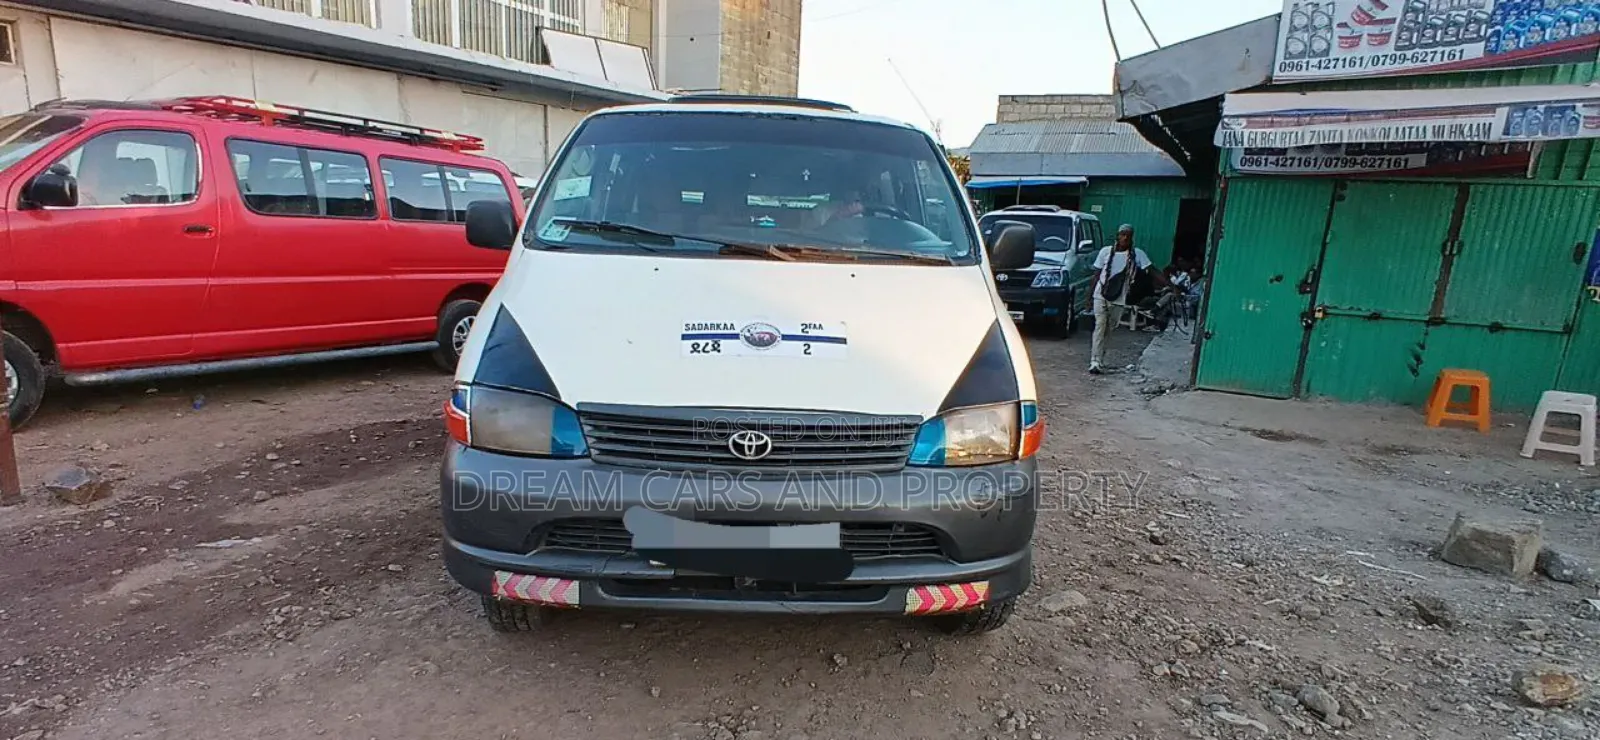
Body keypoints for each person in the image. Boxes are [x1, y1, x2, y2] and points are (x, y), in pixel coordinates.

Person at [1089, 224, 1165, 375]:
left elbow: (1152, 271)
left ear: (1131, 238)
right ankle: (1095, 361)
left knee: (1109, 329)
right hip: (1100, 294)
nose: (1124, 237)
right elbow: (1096, 275)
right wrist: (1088, 297)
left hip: (1119, 297)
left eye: (1128, 235)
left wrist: (1170, 286)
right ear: (1117, 235)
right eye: (1122, 234)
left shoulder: (1137, 254)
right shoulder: (1105, 252)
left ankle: (1100, 358)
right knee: (1100, 326)